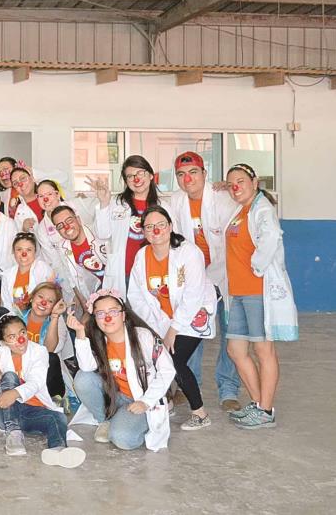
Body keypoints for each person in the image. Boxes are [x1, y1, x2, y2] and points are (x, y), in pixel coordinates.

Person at [127, 205, 217, 431]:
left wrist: (173, 329)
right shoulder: (142, 256)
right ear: (144, 232)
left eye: (160, 225)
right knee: (156, 356)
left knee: (173, 360)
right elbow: (136, 296)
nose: (155, 231)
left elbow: (193, 295)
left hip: (193, 314)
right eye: (149, 227)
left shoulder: (189, 252)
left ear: (170, 226)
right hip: (160, 319)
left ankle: (200, 413)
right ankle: (165, 402)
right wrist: (155, 327)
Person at [223, 163, 298, 430]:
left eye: (241, 181)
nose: (235, 187)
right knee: (235, 350)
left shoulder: (262, 209)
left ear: (255, 182)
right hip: (239, 293)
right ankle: (258, 403)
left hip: (257, 291)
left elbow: (271, 237)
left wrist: (256, 266)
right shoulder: (241, 210)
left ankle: (266, 410)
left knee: (263, 350)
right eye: (231, 183)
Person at [167, 151, 242, 412]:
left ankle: (228, 388)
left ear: (204, 174)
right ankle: (191, 386)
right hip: (197, 275)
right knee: (192, 328)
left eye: (193, 172)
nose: (188, 179)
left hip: (228, 273)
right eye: (181, 174)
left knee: (231, 332)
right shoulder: (175, 202)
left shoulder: (223, 199)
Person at [69, 292, 175, 452]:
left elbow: (167, 370)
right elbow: (86, 367)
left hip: (140, 399)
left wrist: (146, 401)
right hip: (115, 397)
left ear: (123, 315)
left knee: (123, 439)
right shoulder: (98, 340)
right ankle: (105, 420)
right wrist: (80, 332)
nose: (107, 317)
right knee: (82, 379)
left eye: (113, 311)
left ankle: (133, 422)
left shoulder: (144, 337)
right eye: (100, 313)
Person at [0, 314, 85, 468]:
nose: (20, 339)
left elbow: (36, 382)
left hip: (31, 411)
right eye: (12, 337)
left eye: (22, 332)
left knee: (58, 418)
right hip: (4, 413)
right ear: (3, 342)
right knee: (10, 376)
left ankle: (58, 450)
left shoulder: (39, 351)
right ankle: (13, 433)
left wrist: (14, 393)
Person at [91, 155, 168, 297]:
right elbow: (102, 234)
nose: (136, 179)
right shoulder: (116, 203)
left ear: (151, 175)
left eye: (140, 173)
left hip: (152, 273)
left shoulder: (164, 207)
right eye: (130, 176)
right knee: (123, 316)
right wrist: (103, 203)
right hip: (124, 272)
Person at [49, 205, 108, 309]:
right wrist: (85, 308)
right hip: (96, 296)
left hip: (119, 284)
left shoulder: (98, 231)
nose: (66, 227)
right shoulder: (62, 248)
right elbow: (72, 280)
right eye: (60, 226)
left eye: (69, 220)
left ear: (79, 220)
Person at [21, 281, 72, 399]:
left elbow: (49, 350)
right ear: (32, 297)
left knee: (51, 358)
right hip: (20, 370)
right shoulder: (15, 316)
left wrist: (54, 316)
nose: (43, 303)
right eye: (40, 297)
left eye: (50, 301)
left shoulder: (58, 322)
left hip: (46, 375)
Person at [1, 232, 55, 314]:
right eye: (19, 249)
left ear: (35, 251)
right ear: (13, 251)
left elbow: (52, 298)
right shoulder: (7, 275)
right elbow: (7, 305)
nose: (24, 254)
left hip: (43, 320)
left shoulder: (43, 268)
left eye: (29, 250)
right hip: (17, 322)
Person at [9, 167, 44, 232]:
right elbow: (17, 238)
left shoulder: (48, 196)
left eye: (23, 178)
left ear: (32, 177)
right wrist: (24, 229)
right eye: (15, 183)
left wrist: (35, 173)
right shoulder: (18, 211)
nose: (20, 184)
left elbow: (63, 177)